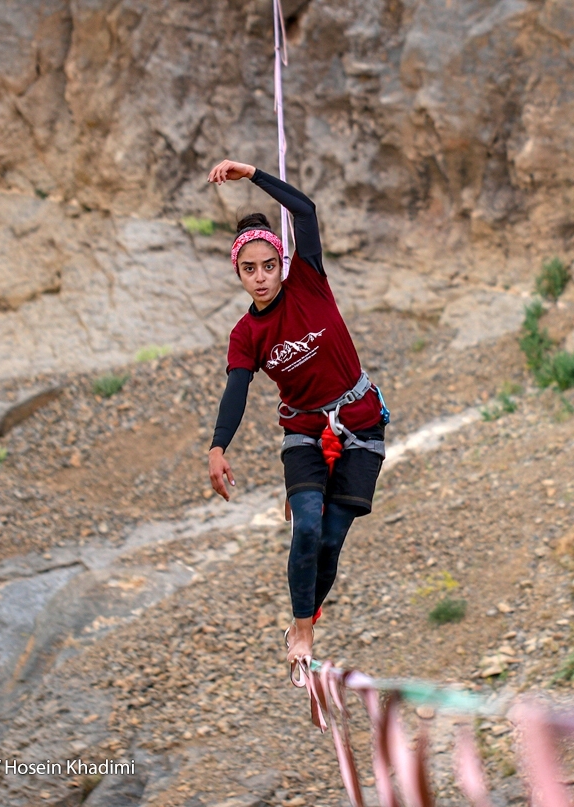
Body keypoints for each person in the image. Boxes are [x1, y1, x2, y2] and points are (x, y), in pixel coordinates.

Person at [204, 158, 388, 669]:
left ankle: (307, 613)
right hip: (304, 431)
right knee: (308, 525)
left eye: (268, 266)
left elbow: (304, 210)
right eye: (249, 269)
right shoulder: (246, 334)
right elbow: (235, 391)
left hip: (360, 421)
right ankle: (302, 630)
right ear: (237, 272)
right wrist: (218, 447)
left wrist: (252, 173)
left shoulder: (309, 280)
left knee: (330, 538)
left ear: (282, 264)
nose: (260, 278)